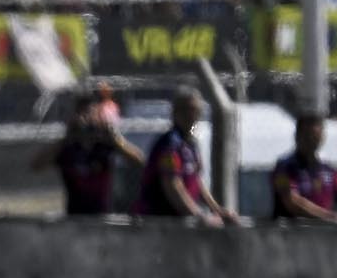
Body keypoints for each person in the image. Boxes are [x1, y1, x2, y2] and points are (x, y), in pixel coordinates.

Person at [34, 90, 140, 218]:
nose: (86, 119)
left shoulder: (104, 145)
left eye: (90, 113)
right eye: (81, 113)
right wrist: (65, 139)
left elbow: (139, 161)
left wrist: (116, 141)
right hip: (74, 216)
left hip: (102, 216)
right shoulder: (68, 148)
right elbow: (36, 165)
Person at [133, 87, 230, 224]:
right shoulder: (170, 145)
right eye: (186, 110)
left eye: (195, 111)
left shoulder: (191, 144)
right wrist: (199, 216)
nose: (191, 116)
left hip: (181, 222)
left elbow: (196, 181)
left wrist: (217, 210)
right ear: (175, 113)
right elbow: (172, 185)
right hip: (158, 222)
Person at [266, 112, 337, 228]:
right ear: (297, 136)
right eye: (308, 136)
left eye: (316, 137)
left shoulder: (328, 170)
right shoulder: (283, 169)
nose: (312, 142)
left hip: (322, 235)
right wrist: (329, 216)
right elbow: (291, 201)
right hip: (291, 234)